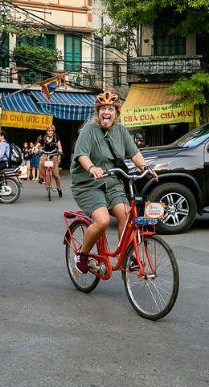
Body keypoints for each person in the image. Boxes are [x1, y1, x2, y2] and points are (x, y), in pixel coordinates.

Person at [70, 91, 150, 274]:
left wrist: (145, 168)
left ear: (116, 113)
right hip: (89, 184)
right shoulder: (89, 130)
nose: (107, 112)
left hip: (112, 182)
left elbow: (135, 153)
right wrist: (92, 168)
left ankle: (127, 258)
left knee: (126, 215)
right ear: (98, 113)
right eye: (103, 108)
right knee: (103, 220)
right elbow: (81, 154)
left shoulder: (121, 131)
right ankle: (82, 255)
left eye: (111, 109)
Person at [36, 124, 64, 197]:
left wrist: (60, 150)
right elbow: (37, 145)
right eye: (48, 131)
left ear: (53, 131)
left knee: (56, 175)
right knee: (41, 160)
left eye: (51, 131)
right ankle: (41, 177)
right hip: (45, 154)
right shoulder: (44, 138)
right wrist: (35, 148)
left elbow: (59, 146)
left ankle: (59, 188)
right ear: (46, 131)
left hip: (54, 154)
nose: (50, 132)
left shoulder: (56, 138)